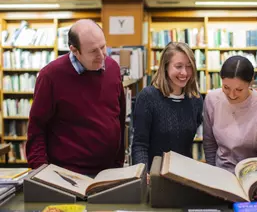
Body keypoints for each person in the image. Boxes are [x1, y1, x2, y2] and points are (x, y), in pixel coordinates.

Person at [26, 19, 126, 175]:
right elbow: (36, 128)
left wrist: (118, 163)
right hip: (67, 174)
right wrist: (41, 172)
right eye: (93, 51)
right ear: (74, 50)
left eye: (103, 47)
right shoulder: (50, 76)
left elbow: (119, 117)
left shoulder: (113, 68)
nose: (101, 55)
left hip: (108, 171)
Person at [131, 42, 203, 174]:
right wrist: (144, 176)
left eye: (189, 66)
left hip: (185, 176)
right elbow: (140, 145)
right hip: (154, 177)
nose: (184, 72)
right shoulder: (148, 97)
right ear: (165, 67)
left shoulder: (195, 100)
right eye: (178, 66)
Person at [203, 55, 257, 174]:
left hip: (254, 175)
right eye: (226, 87)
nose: (232, 95)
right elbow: (209, 144)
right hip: (221, 173)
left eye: (239, 90)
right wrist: (212, 175)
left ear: (251, 83)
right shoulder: (212, 99)